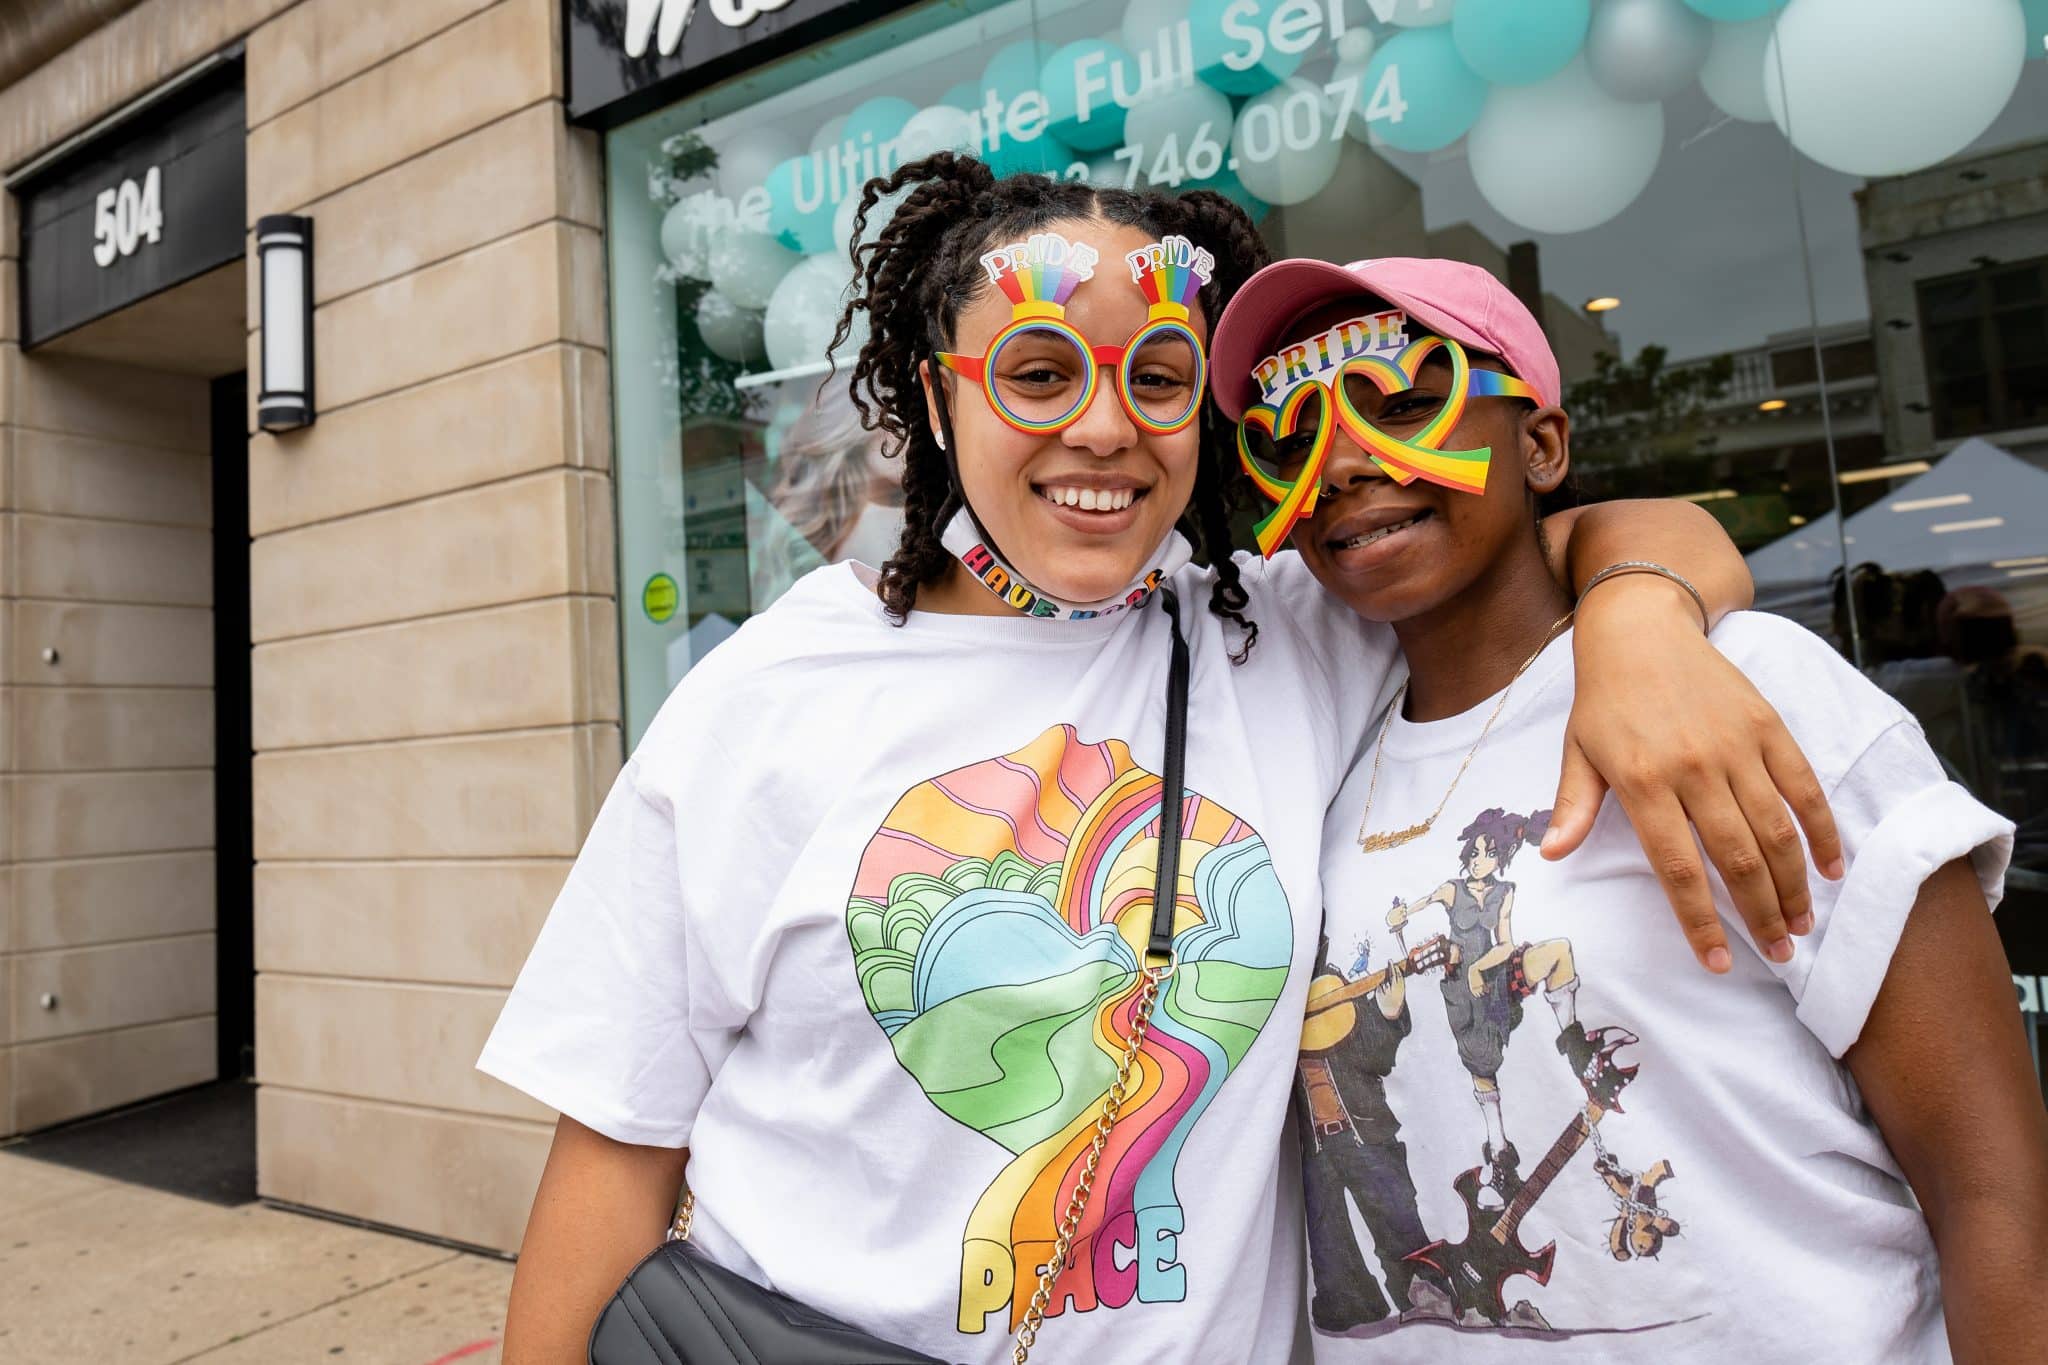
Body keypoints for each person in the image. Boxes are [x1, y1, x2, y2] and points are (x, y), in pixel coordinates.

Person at [478, 158, 1840, 1364]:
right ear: (937, 407)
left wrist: (1644, 616)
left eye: (1160, 378)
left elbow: (1583, 531)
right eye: (1037, 372)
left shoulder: (1286, 631)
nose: (1104, 428)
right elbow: (615, 1145)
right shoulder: (767, 700)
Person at [1208, 255, 2048, 1355]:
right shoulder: (1307, 741)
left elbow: (1993, 1195)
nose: (1346, 462)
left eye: (1409, 401)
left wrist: (1640, 609)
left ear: (1541, 445)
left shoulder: (1743, 686)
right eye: (1288, 433)